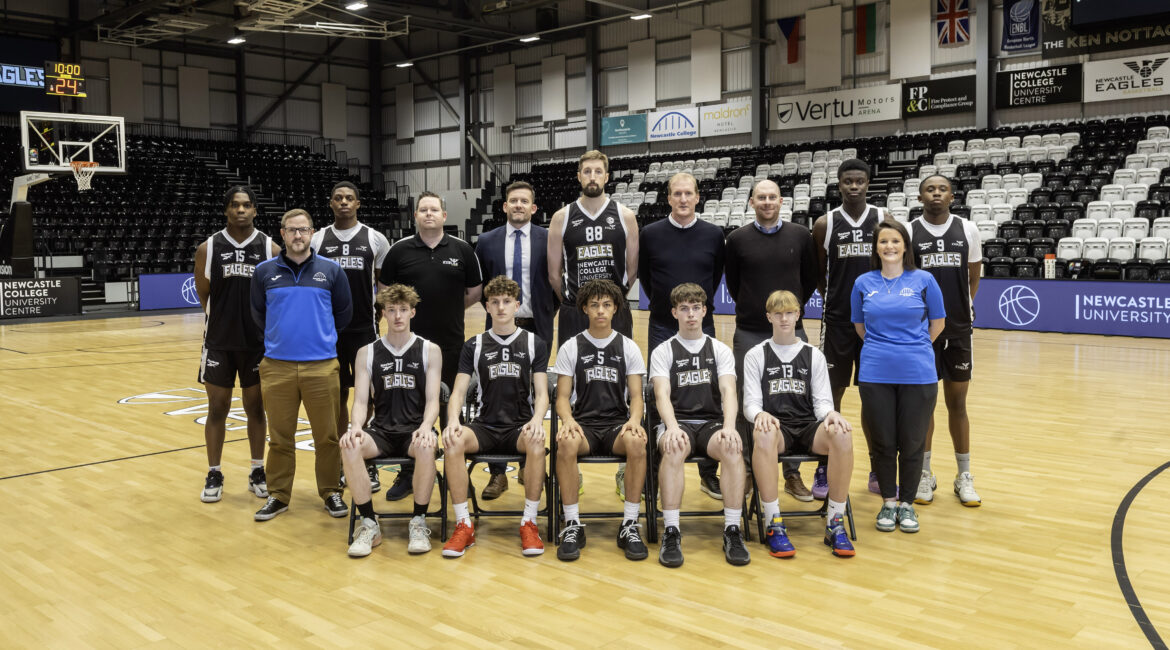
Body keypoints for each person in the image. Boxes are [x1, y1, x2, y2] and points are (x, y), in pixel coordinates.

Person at [378, 191, 483, 501]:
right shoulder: (399, 251)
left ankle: (457, 475)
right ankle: (408, 473)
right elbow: (385, 293)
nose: (428, 214)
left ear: (443, 216)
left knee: (453, 414)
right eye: (423, 209)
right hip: (407, 349)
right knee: (410, 411)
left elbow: (475, 291)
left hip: (451, 345)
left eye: (434, 209)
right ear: (416, 216)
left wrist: (449, 310)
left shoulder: (462, 250)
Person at [249, 208, 353, 522]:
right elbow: (257, 315)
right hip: (277, 366)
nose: (298, 235)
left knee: (327, 437)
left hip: (321, 366)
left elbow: (344, 314)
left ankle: (331, 492)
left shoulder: (331, 271)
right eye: (291, 230)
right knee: (280, 437)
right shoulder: (265, 272)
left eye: (303, 230)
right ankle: (279, 496)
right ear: (282, 233)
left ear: (311, 233)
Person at [440, 276, 551, 558]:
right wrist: (453, 421)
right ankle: (464, 524)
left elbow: (541, 393)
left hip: (519, 428)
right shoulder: (474, 345)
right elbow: (458, 391)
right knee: (453, 442)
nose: (501, 308)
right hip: (484, 427)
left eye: (506, 302)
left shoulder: (533, 343)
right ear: (486, 307)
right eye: (495, 303)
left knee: (537, 442)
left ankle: (529, 522)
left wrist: (537, 420)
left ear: (517, 305)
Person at [724, 179, 819, 501]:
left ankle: (792, 474)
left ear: (782, 201)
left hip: (792, 331)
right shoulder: (736, 239)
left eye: (772, 197)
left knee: (796, 400)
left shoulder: (800, 236)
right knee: (745, 401)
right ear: (752, 202)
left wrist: (787, 312)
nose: (767, 202)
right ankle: (750, 469)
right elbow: (735, 284)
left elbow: (810, 278)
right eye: (761, 197)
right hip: (750, 329)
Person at [851, 219, 946, 534]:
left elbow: (938, 323)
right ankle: (888, 503)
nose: (889, 247)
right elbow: (859, 328)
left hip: (918, 372)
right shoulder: (863, 282)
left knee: (913, 441)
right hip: (875, 372)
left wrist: (912, 347)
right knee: (883, 441)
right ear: (875, 248)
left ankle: (907, 505)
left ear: (905, 246)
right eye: (883, 242)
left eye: (894, 241)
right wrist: (885, 349)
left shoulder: (924, 280)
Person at [745, 290, 856, 558]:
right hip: (777, 428)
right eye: (778, 313)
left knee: (841, 435)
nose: (784, 319)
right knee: (764, 433)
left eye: (789, 313)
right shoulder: (756, 354)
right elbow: (750, 404)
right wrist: (759, 415)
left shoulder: (812, 355)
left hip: (807, 426)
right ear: (769, 316)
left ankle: (835, 522)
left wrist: (831, 414)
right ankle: (774, 523)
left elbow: (822, 403)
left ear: (798, 315)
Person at [638, 172, 726, 501]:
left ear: (698, 196)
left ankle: (708, 472)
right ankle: (657, 469)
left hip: (702, 325)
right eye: (677, 194)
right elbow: (646, 277)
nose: (683, 199)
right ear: (668, 198)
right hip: (663, 323)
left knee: (708, 389)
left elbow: (715, 276)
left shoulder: (714, 234)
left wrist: (693, 310)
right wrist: (668, 306)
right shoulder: (651, 233)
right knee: (660, 392)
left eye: (689, 193)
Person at [649, 283, 749, 567]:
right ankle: (671, 530)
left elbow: (729, 391)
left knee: (731, 448)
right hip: (677, 422)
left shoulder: (719, 349)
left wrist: (729, 427)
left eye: (695, 308)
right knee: (673, 448)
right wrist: (670, 426)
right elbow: (661, 394)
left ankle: (732, 529)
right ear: (674, 313)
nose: (691, 314)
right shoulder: (664, 350)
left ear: (705, 311)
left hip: (711, 423)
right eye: (684, 309)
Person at [193, 186, 281, 504]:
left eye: (246, 205)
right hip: (218, 342)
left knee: (256, 409)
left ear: (255, 210)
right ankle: (214, 472)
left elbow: (276, 295)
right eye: (235, 205)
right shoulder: (209, 248)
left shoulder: (270, 248)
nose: (241, 210)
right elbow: (205, 294)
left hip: (257, 344)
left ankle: (258, 470)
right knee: (217, 409)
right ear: (226, 210)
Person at [341, 284, 441, 557]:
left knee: (425, 445)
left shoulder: (429, 350)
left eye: (403, 310)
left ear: (413, 312)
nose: (398, 316)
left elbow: (433, 399)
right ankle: (369, 524)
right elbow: (361, 401)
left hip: (414, 430)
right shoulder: (367, 352)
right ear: (383, 313)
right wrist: (356, 429)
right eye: (392, 310)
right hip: (381, 430)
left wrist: (425, 427)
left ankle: (418, 521)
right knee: (349, 445)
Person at [552, 279, 648, 562]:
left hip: (617, 426)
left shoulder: (628, 346)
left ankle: (630, 524)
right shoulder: (571, 346)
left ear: (616, 308)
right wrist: (568, 420)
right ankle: (572, 524)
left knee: (638, 442)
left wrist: (635, 420)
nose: (600, 311)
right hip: (584, 425)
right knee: (565, 443)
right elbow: (561, 398)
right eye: (594, 305)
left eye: (606, 305)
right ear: (585, 308)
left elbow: (636, 396)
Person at [474, 181, 558, 500]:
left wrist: (545, 311)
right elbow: (482, 285)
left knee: (533, 392)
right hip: (499, 327)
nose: (519, 205)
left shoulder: (548, 237)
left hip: (537, 326)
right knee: (498, 391)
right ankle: (498, 473)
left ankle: (528, 461)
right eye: (513, 201)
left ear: (533, 208)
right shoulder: (487, 240)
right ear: (505, 207)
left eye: (525, 201)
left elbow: (554, 283)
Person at [311, 181, 392, 493]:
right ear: (331, 204)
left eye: (349, 198)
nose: (343, 202)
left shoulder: (375, 238)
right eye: (338, 198)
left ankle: (366, 460)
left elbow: (383, 284)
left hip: (364, 329)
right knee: (336, 395)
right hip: (327, 331)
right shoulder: (318, 238)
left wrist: (380, 311)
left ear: (358, 203)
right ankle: (345, 461)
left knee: (367, 395)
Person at [908, 175, 982, 507]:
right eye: (929, 189)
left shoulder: (967, 229)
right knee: (924, 403)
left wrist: (959, 307)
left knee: (958, 404)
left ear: (951, 195)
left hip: (958, 329)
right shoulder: (910, 231)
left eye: (942, 189)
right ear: (920, 196)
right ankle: (925, 474)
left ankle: (963, 475)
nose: (936, 193)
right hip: (921, 332)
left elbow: (973, 277)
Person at [813, 159, 883, 496]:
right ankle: (824, 469)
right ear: (838, 184)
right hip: (837, 322)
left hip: (876, 325)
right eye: (847, 181)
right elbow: (818, 274)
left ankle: (877, 468)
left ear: (868, 183)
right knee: (830, 398)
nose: (853, 186)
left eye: (859, 180)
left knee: (874, 398)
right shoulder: (825, 224)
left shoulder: (884, 220)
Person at [547, 149, 639, 342]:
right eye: (587, 171)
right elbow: (554, 274)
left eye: (598, 172)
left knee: (617, 368)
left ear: (606, 177)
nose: (592, 177)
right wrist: (572, 302)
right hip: (574, 310)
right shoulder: (561, 217)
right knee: (572, 370)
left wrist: (615, 300)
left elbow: (632, 270)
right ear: (579, 176)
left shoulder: (626, 216)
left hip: (615, 310)